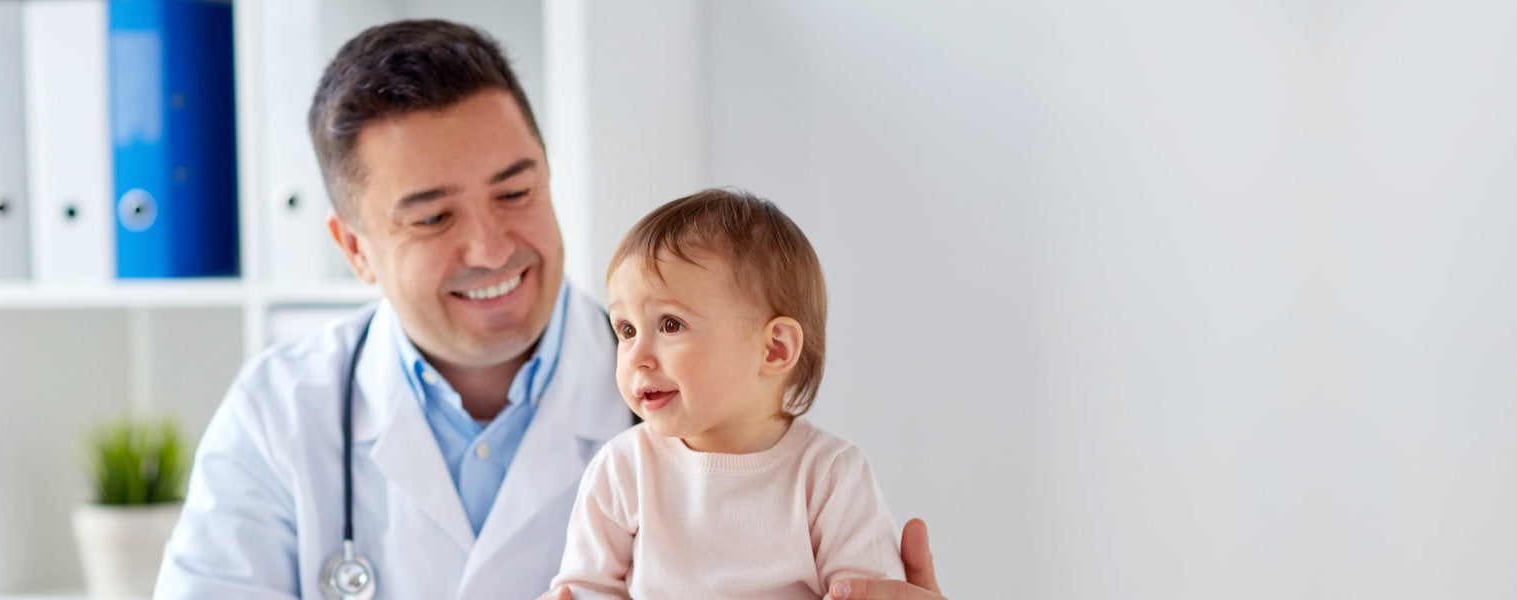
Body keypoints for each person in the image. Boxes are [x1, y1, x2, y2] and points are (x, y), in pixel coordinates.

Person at [153, 19, 947, 600]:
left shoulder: (727, 405)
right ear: (355, 248)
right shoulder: (280, 414)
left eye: (516, 191)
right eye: (434, 217)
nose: (492, 247)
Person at [547, 189, 900, 598]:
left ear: (775, 348)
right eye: (626, 330)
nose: (636, 357)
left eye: (670, 324)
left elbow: (867, 591)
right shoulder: (623, 468)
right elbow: (586, 588)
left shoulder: (829, 474)